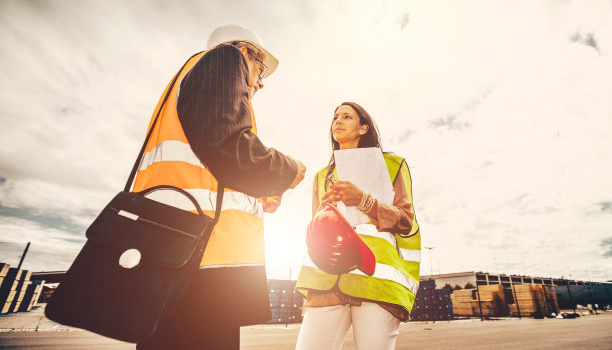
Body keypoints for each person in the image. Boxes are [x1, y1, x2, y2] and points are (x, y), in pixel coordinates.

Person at [133, 24, 306, 349]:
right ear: (246, 52)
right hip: (200, 258)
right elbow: (227, 144)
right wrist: (287, 169)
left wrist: (256, 193)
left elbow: (210, 159)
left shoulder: (187, 81)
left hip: (172, 249)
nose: (261, 81)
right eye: (261, 67)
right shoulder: (227, 58)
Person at [295, 102, 421, 350]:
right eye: (335, 117)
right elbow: (315, 230)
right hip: (326, 278)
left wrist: (365, 201)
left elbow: (406, 220)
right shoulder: (321, 176)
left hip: (374, 279)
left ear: (363, 128)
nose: (337, 121)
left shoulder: (392, 164)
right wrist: (324, 211)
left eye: (346, 116)